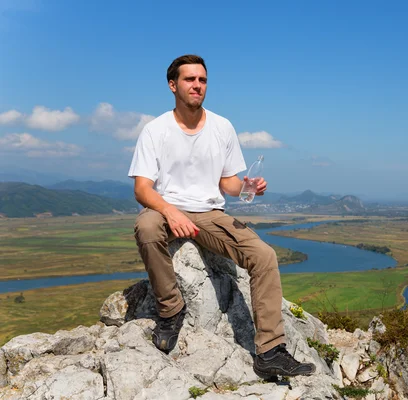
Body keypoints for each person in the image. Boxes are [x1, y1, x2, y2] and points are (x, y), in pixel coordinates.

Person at [128, 54, 315, 378]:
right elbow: (143, 189)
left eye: (202, 80)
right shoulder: (155, 130)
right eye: (189, 79)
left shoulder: (222, 127)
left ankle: (270, 351)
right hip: (165, 207)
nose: (197, 85)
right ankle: (171, 310)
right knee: (145, 227)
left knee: (264, 255)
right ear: (173, 85)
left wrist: (248, 186)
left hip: (210, 213)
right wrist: (171, 213)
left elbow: (227, 182)